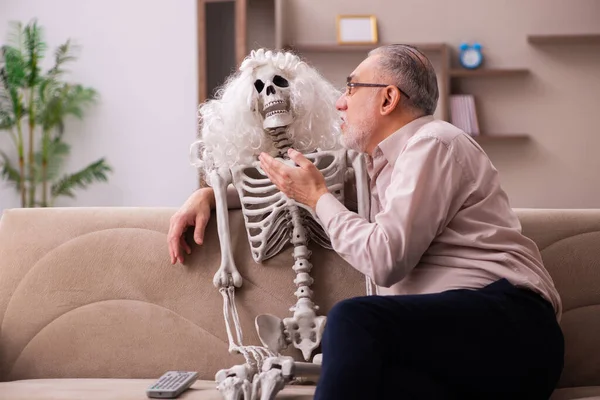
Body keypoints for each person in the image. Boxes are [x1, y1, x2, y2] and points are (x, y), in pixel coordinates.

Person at [168, 44, 564, 399]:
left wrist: (316, 195)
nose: (340, 102)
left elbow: (384, 259)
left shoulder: (432, 143)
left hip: (510, 331)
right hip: (458, 355)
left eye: (352, 87)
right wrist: (210, 196)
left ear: (389, 98)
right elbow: (322, 204)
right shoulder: (381, 169)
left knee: (353, 317)